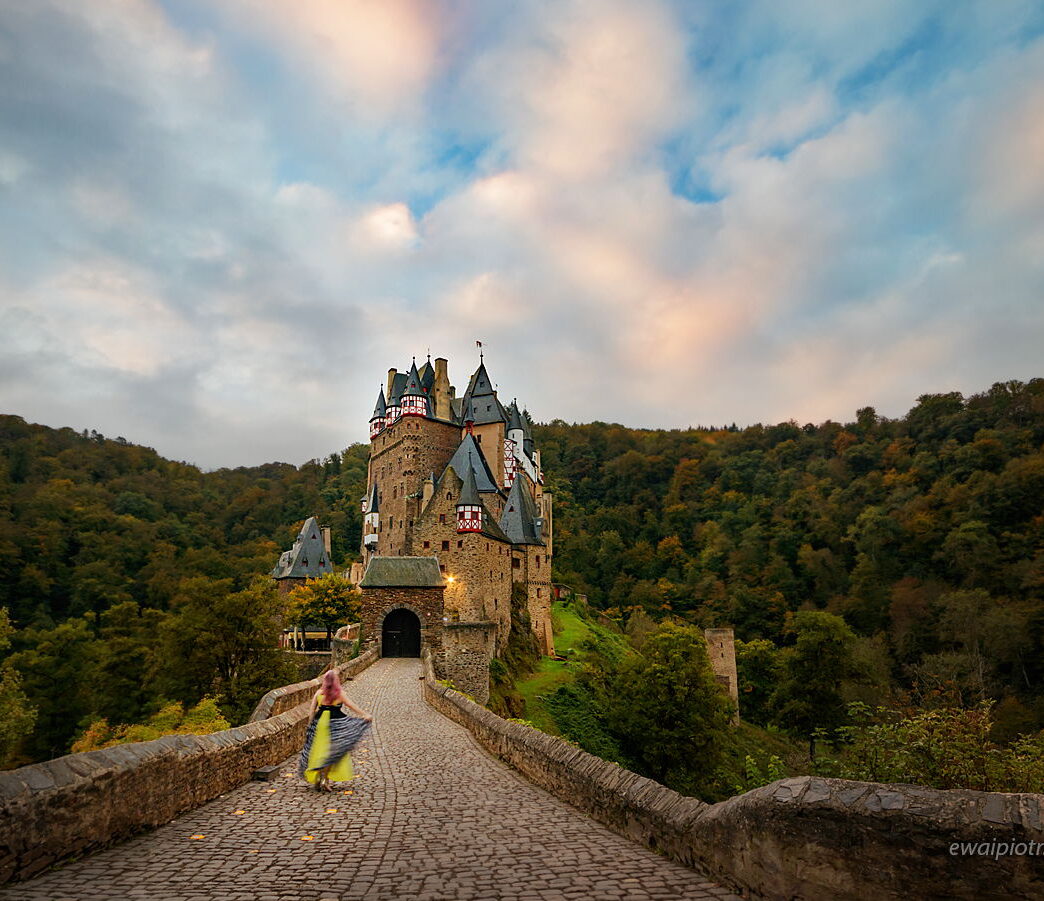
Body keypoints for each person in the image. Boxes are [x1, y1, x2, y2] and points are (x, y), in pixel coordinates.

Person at [298, 668, 372, 792]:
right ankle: (325, 779)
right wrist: (365, 715)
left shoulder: (319, 693)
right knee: (332, 753)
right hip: (335, 725)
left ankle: (318, 778)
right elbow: (352, 706)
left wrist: (310, 725)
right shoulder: (339, 693)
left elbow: (311, 711)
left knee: (318, 751)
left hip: (320, 723)